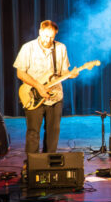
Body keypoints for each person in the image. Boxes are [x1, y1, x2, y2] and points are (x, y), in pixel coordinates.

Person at [14, 20, 77, 154]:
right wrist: (38, 86)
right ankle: (32, 163)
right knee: (33, 132)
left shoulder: (60, 48)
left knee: (53, 133)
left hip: (55, 97)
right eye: (46, 36)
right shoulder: (28, 48)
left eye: (52, 37)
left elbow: (64, 72)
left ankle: (48, 161)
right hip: (34, 96)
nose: (48, 40)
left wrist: (71, 74)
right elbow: (20, 73)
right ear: (40, 32)